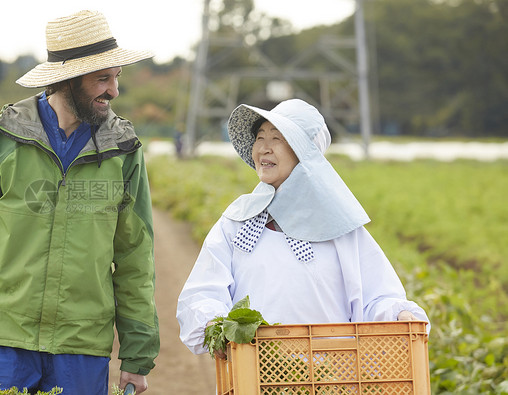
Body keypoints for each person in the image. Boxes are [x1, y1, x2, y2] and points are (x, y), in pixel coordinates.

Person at [0, 10, 159, 394]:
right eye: (103, 78)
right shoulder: (4, 136)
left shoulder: (123, 149)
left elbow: (136, 258)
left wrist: (136, 355)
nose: (114, 91)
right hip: (3, 341)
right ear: (67, 80)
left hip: (81, 344)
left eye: (117, 77)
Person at [176, 99, 429, 357]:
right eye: (260, 137)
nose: (264, 148)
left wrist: (401, 314)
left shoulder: (341, 229)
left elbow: (377, 297)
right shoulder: (237, 223)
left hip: (331, 375)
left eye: (277, 138)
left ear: (305, 153)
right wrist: (213, 324)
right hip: (252, 373)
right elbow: (202, 292)